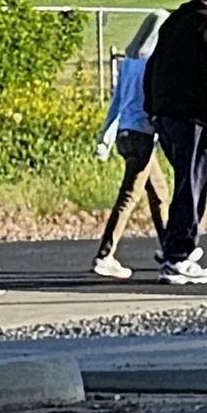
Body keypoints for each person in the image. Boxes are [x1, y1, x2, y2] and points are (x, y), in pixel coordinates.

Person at [142, 0, 207, 284]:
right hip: (192, 117)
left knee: (190, 178)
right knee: (193, 182)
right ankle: (178, 256)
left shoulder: (175, 21)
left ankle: (176, 243)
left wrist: (152, 107)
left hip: (165, 114)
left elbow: (153, 65)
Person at [88, 14, 167, 280]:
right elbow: (155, 102)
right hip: (142, 134)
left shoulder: (129, 62)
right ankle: (105, 255)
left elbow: (117, 100)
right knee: (129, 196)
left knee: (159, 192)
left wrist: (105, 138)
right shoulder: (152, 64)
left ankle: (170, 248)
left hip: (126, 134)